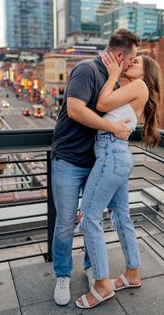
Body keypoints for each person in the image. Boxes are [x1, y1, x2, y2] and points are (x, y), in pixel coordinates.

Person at [51, 29, 141, 306]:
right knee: (66, 224)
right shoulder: (86, 70)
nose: (132, 63)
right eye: (132, 58)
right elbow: (77, 110)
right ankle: (63, 275)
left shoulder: (117, 82)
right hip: (67, 160)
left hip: (97, 162)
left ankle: (92, 269)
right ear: (118, 55)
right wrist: (112, 127)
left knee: (92, 219)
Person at [75, 53, 161, 309]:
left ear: (146, 72)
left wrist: (112, 74)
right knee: (120, 216)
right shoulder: (132, 88)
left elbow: (100, 105)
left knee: (89, 216)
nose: (129, 63)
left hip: (111, 153)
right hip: (117, 154)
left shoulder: (139, 85)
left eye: (136, 62)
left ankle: (102, 286)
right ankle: (132, 273)